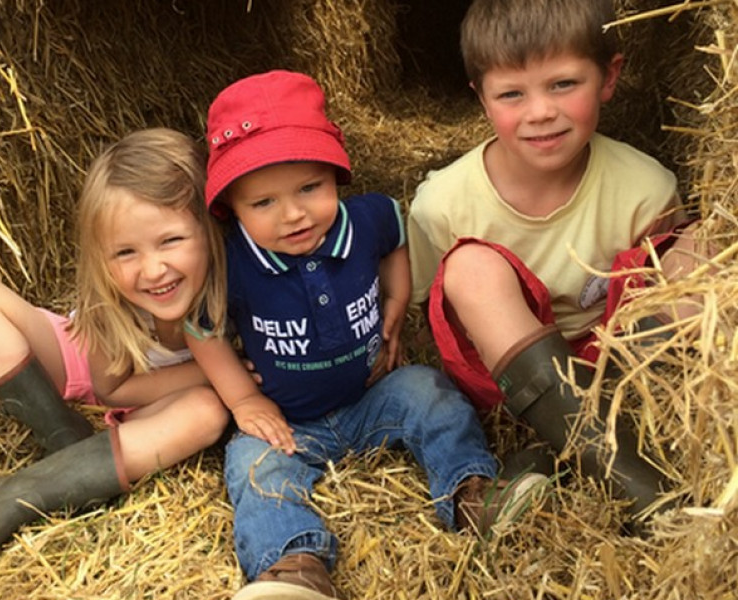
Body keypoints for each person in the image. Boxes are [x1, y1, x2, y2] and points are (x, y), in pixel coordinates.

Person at [184, 70, 549, 600]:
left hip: (373, 398)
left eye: (311, 187)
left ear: (335, 175)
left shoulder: (364, 219)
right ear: (232, 210)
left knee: (430, 391)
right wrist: (243, 399)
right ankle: (294, 566)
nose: (293, 214)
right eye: (262, 203)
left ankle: (473, 496)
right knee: (250, 464)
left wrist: (396, 300)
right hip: (291, 424)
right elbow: (200, 325)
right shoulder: (232, 261)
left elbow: (395, 231)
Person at [407, 0, 702, 525]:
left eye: (563, 84)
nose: (540, 111)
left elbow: (659, 296)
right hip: (504, 383)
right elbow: (434, 322)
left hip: (623, 371)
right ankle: (643, 492)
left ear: (609, 77)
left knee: (702, 246)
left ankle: (561, 456)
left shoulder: (646, 188)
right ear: (481, 98)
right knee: (470, 267)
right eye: (512, 94)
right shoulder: (442, 203)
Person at [0, 128, 231, 575]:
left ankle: (15, 498)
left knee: (207, 414)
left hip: (153, 410)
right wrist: (209, 372)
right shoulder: (109, 298)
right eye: (125, 252)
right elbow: (110, 388)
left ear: (210, 229)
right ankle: (64, 444)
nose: (153, 270)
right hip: (90, 370)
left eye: (171, 240)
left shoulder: (239, 291)